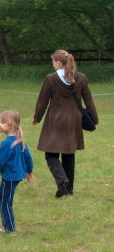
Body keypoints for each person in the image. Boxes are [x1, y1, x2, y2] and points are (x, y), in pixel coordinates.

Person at [32, 49, 98, 198]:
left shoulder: (50, 79)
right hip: (74, 121)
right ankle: (69, 190)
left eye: (53, 61)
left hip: (55, 120)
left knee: (51, 154)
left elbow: (42, 101)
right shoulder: (81, 78)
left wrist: (37, 117)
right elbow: (89, 100)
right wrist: (95, 118)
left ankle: (62, 180)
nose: (52, 64)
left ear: (58, 62)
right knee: (69, 154)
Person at [0, 110, 34, 234]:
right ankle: (6, 225)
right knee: (0, 198)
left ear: (11, 125)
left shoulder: (7, 143)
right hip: (14, 176)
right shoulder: (19, 140)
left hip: (10, 177)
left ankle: (10, 229)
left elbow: (1, 160)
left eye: (2, 122)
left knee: (5, 202)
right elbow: (29, 158)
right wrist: (29, 171)